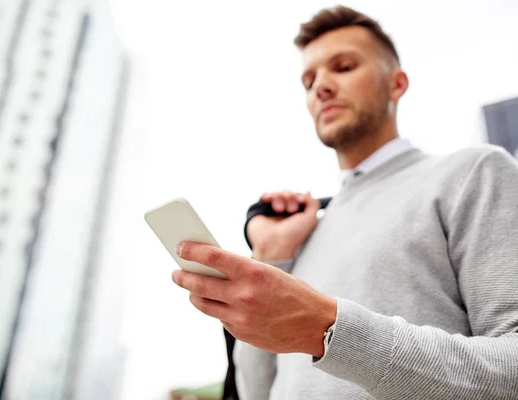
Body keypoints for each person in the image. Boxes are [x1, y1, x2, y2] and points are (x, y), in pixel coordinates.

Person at [171, 5, 518, 400]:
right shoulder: (302, 230)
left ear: (397, 83)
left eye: (344, 66)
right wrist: (273, 255)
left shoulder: (474, 172)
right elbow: (257, 392)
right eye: (309, 79)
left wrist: (328, 329)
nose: (321, 86)